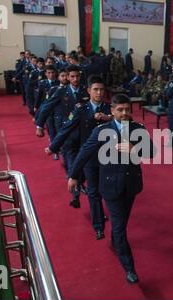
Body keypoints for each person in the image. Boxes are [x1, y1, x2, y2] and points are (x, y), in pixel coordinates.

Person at [68, 94, 156, 284]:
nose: (124, 113)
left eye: (127, 109)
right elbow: (84, 153)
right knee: (118, 225)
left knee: (122, 223)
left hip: (132, 184)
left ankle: (116, 241)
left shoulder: (138, 129)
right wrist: (74, 176)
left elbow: (151, 152)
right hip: (110, 185)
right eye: (120, 110)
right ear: (112, 110)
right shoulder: (102, 131)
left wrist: (135, 148)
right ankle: (129, 267)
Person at [46, 76, 113, 240]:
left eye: (101, 90)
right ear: (89, 91)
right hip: (89, 157)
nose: (99, 93)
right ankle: (98, 226)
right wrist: (53, 147)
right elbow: (66, 129)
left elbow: (124, 124)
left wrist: (109, 118)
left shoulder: (110, 108)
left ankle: (98, 211)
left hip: (108, 156)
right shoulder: (81, 109)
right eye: (95, 89)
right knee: (93, 192)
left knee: (105, 189)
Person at [36, 65, 89, 208]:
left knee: (83, 162)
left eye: (77, 76)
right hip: (68, 133)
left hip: (84, 132)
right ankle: (75, 195)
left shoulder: (86, 91)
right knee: (71, 161)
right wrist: (39, 125)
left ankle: (79, 182)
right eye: (72, 76)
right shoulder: (61, 92)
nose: (75, 79)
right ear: (68, 77)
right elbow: (46, 107)